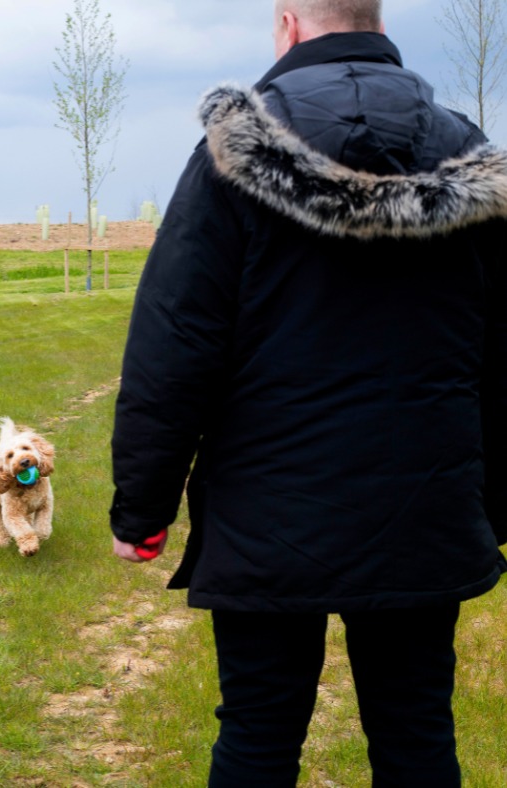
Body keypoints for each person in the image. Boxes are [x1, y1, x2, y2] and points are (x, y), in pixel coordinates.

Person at [110, 1, 507, 785]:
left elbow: (175, 340)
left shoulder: (232, 154)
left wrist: (142, 511)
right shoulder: (468, 154)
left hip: (271, 514)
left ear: (288, 23)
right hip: (423, 506)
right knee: (417, 732)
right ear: (373, 20)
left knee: (259, 732)